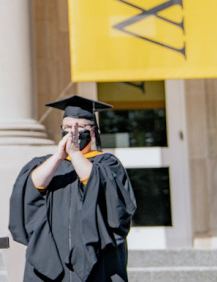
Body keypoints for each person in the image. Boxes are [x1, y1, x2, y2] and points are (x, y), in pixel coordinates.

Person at [9, 95, 137, 281]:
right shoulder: (48, 164)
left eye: (78, 128)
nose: (71, 133)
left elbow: (99, 185)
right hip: (55, 261)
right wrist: (60, 156)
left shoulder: (107, 164)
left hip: (96, 263)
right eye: (67, 127)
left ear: (92, 132)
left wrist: (75, 154)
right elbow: (32, 186)